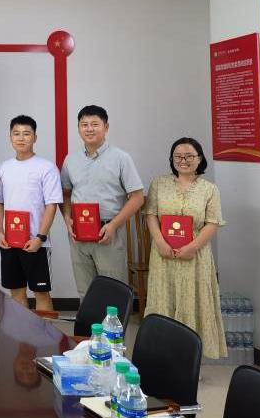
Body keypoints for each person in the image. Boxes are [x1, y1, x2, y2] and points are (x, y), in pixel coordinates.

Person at [144, 137, 227, 359]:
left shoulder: (209, 189)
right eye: (178, 156)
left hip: (195, 256)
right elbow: (150, 214)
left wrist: (192, 247)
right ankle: (161, 357)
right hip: (163, 255)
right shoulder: (159, 184)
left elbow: (213, 222)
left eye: (189, 156)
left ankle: (189, 360)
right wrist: (160, 242)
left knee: (193, 303)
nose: (183, 160)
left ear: (199, 159)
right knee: (163, 301)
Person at [61, 105, 144, 299]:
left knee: (112, 293)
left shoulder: (121, 158)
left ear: (106, 127)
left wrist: (114, 225)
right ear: (78, 128)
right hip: (78, 236)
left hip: (108, 232)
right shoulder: (70, 160)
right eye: (84, 124)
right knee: (85, 292)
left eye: (95, 124)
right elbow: (65, 194)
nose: (89, 129)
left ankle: (113, 322)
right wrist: (67, 219)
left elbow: (137, 197)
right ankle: (89, 322)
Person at [0, 115, 63, 313]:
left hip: (35, 242)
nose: (21, 138)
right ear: (10, 137)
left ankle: (45, 334)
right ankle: (22, 333)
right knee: (16, 291)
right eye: (16, 134)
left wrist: (40, 237)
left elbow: (51, 205)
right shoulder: (4, 167)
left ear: (35, 137)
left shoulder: (46, 167)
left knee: (41, 293)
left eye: (26, 134)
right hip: (9, 242)